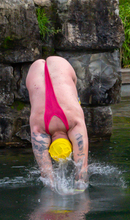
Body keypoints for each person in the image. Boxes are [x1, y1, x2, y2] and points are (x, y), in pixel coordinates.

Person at [27, 56, 89, 188]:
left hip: (62, 66)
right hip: (34, 73)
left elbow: (48, 179)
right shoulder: (39, 129)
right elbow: (47, 176)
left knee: (71, 89)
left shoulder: (75, 122)